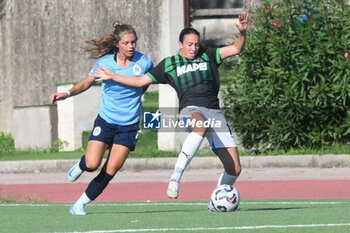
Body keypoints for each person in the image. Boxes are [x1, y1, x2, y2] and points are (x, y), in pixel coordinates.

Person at [93, 12, 249, 211]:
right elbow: (141, 81)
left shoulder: (209, 54)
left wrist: (242, 33)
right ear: (180, 44)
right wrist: (113, 76)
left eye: (196, 44)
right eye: (190, 44)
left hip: (215, 113)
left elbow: (236, 48)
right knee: (199, 127)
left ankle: (215, 201)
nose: (194, 48)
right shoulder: (169, 64)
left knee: (234, 169)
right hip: (191, 110)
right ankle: (175, 177)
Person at [50, 22, 153, 215]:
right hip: (106, 121)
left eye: (133, 42)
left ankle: (79, 205)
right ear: (117, 44)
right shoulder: (104, 63)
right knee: (91, 164)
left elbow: (143, 85)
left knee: (110, 170)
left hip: (129, 126)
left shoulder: (144, 62)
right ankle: (81, 165)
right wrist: (67, 93)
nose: (131, 46)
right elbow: (87, 82)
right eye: (126, 43)